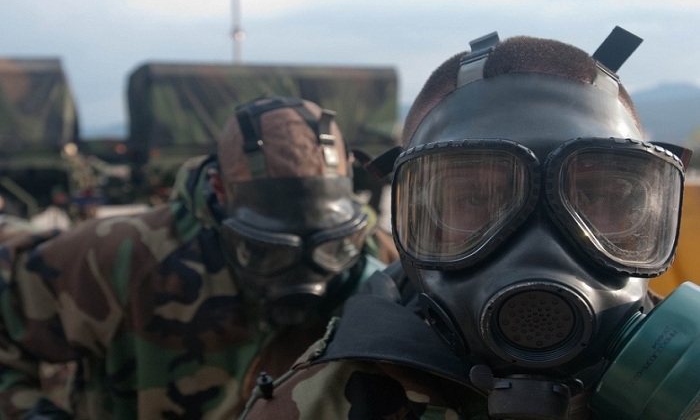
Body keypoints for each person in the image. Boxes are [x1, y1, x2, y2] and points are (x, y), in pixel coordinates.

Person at [241, 28, 700, 419]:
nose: (542, 246)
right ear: (410, 219)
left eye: (597, 195)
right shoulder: (319, 403)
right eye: (474, 197)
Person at [0, 96, 384, 419]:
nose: (304, 277)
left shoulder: (376, 259)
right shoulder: (123, 257)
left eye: (329, 247)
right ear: (219, 189)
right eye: (268, 248)